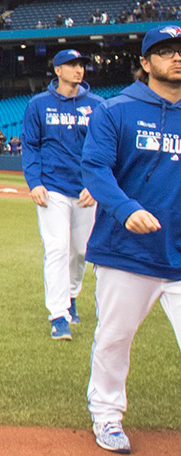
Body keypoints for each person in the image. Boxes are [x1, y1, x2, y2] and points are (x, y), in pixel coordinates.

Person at [81, 25, 181, 454]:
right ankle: (106, 416)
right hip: (127, 252)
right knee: (114, 338)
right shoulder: (116, 110)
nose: (176, 57)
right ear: (145, 63)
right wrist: (127, 209)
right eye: (164, 51)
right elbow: (95, 169)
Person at [21, 48, 103, 340]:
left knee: (80, 250)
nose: (78, 70)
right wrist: (35, 182)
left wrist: (96, 185)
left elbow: (104, 149)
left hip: (85, 189)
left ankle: (70, 296)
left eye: (81, 64)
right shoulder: (39, 105)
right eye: (71, 65)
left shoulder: (97, 105)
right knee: (57, 248)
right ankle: (58, 315)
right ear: (57, 70)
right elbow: (30, 145)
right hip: (52, 188)